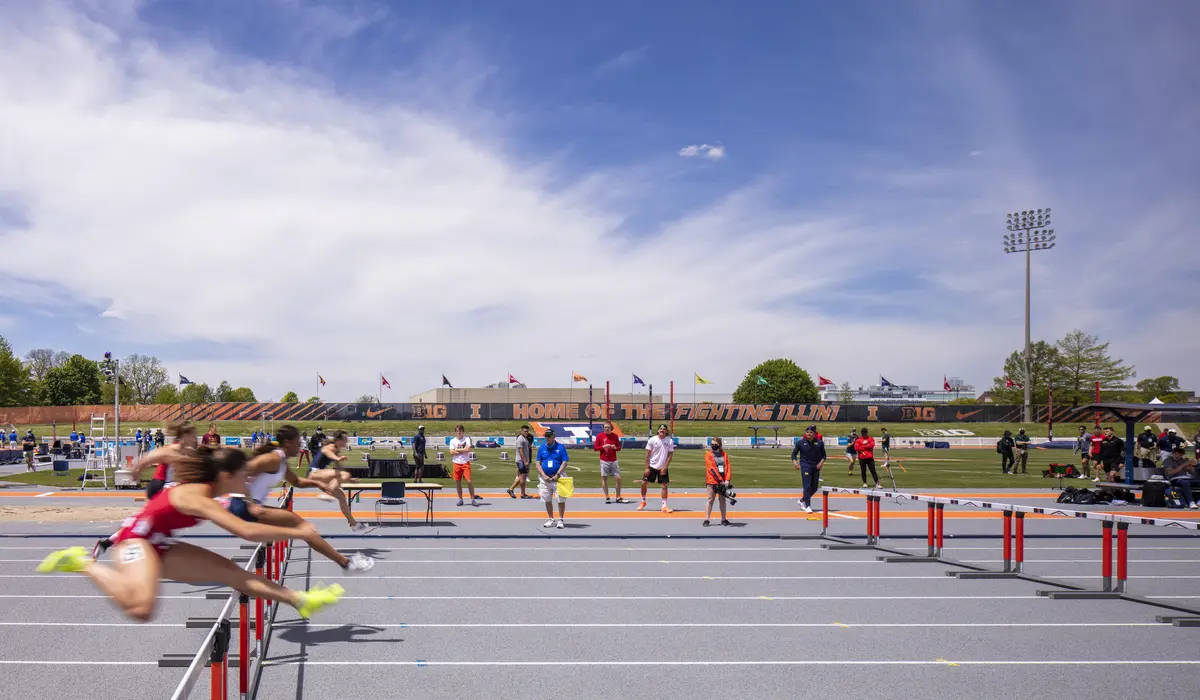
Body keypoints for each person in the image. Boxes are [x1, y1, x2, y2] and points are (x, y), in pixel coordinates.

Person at [36, 446, 344, 622]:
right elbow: (247, 532)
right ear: (226, 476)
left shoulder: (214, 490)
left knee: (230, 571)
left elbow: (251, 515)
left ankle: (298, 600)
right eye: (245, 476)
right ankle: (80, 562)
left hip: (160, 543)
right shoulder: (198, 496)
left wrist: (144, 462)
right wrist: (299, 531)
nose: (249, 481)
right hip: (134, 541)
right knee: (141, 609)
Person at [229, 427, 374, 570]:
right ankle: (346, 564)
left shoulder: (282, 463)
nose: (301, 446)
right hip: (241, 504)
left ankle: (345, 563)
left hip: (248, 506)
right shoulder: (273, 458)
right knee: (303, 527)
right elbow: (241, 473)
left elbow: (297, 482)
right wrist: (250, 502)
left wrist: (318, 483)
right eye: (298, 442)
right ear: (287, 442)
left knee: (301, 528)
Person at [306, 429, 369, 531]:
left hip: (321, 477)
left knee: (341, 497)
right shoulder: (330, 447)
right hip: (313, 474)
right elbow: (328, 453)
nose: (346, 442)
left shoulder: (337, 450)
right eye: (345, 439)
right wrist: (337, 458)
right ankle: (327, 494)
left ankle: (354, 524)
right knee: (344, 474)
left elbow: (340, 471)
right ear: (338, 440)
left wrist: (350, 480)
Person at [129, 421, 197, 500]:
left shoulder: (189, 451)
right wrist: (136, 470)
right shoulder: (173, 449)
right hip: (159, 485)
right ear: (185, 436)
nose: (194, 440)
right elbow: (149, 457)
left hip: (169, 484)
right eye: (193, 437)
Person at [536, 428, 570, 529]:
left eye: (549, 436)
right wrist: (543, 475)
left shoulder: (561, 447)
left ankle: (560, 519)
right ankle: (551, 519)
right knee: (547, 499)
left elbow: (564, 462)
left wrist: (558, 474)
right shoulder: (541, 448)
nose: (547, 438)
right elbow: (538, 463)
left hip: (558, 477)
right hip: (545, 478)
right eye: (546, 436)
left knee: (560, 499)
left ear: (554, 437)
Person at [638, 424, 674, 513]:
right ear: (658, 430)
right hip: (652, 466)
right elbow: (647, 454)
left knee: (664, 485)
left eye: (664, 429)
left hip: (662, 466)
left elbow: (670, 455)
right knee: (644, 483)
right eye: (661, 429)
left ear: (666, 431)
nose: (662, 430)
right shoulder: (652, 440)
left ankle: (664, 506)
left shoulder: (669, 441)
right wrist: (647, 467)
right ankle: (643, 501)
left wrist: (665, 467)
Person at [791, 425, 826, 513]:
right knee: (807, 486)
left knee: (814, 488)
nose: (809, 434)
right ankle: (808, 506)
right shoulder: (800, 443)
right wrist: (795, 462)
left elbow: (824, 455)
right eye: (807, 432)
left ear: (814, 434)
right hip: (805, 466)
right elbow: (793, 454)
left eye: (811, 432)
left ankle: (802, 500)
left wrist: (821, 463)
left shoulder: (819, 443)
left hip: (816, 466)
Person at [593, 421, 626, 504]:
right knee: (604, 478)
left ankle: (618, 497)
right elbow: (595, 448)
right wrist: (603, 446)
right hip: (604, 460)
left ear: (611, 428)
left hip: (613, 460)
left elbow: (618, 448)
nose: (606, 429)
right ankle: (607, 497)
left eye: (608, 427)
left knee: (618, 478)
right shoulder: (600, 436)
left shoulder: (614, 436)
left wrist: (615, 447)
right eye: (605, 427)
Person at [448, 424, 481, 506]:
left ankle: (473, 499)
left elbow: (468, 449)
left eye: (460, 431)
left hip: (465, 463)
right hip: (456, 463)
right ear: (456, 432)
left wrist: (457, 450)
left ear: (463, 432)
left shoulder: (467, 439)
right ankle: (460, 499)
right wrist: (462, 450)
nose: (459, 433)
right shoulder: (453, 441)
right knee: (458, 482)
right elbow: (451, 452)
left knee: (469, 481)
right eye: (457, 431)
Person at [703, 437, 732, 526]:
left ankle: (723, 519)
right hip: (712, 480)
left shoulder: (724, 455)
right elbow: (712, 469)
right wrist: (720, 480)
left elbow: (728, 467)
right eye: (712, 444)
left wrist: (727, 479)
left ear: (719, 445)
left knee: (722, 499)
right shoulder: (708, 454)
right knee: (710, 499)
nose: (713, 446)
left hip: (723, 480)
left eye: (715, 445)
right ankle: (707, 519)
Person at [507, 425, 533, 499]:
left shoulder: (525, 438)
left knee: (523, 477)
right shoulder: (520, 439)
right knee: (522, 477)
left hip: (523, 460)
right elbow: (520, 451)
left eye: (527, 431)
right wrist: (525, 461)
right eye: (525, 431)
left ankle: (515, 490)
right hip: (521, 460)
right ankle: (519, 492)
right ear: (521, 431)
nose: (526, 432)